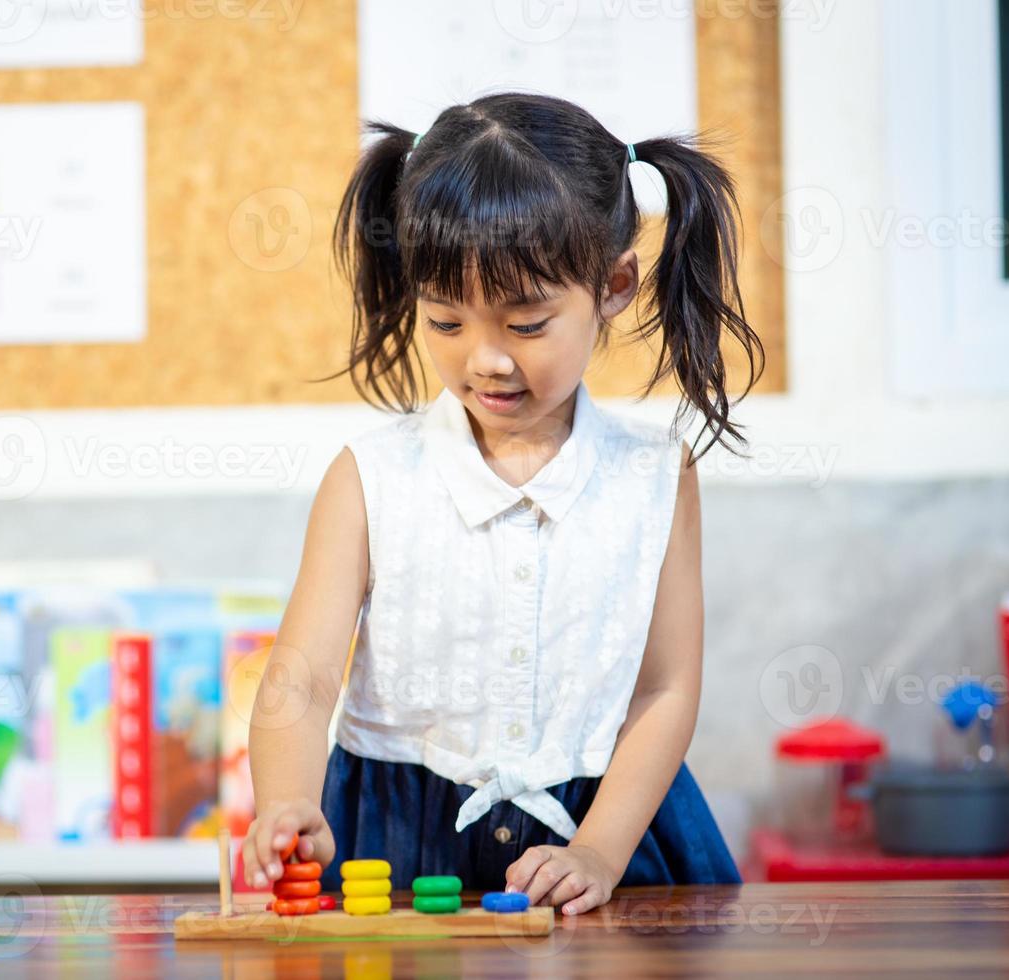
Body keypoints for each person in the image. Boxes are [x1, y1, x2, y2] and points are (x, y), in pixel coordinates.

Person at [243, 92, 761, 915]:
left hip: (607, 836)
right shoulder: (370, 479)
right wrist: (283, 802)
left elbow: (664, 690)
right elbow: (299, 684)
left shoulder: (655, 477)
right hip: (395, 843)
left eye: (527, 324)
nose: (485, 359)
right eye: (446, 321)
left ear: (614, 284)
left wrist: (598, 849)